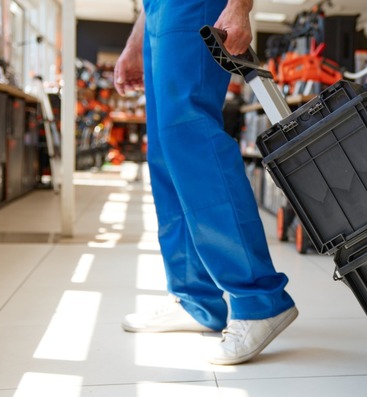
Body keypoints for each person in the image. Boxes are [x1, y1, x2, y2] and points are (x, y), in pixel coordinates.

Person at [114, 0, 297, 365]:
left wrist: (240, 5)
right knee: (166, 151)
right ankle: (196, 298)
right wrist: (137, 38)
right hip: (157, 11)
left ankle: (258, 299)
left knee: (190, 135)